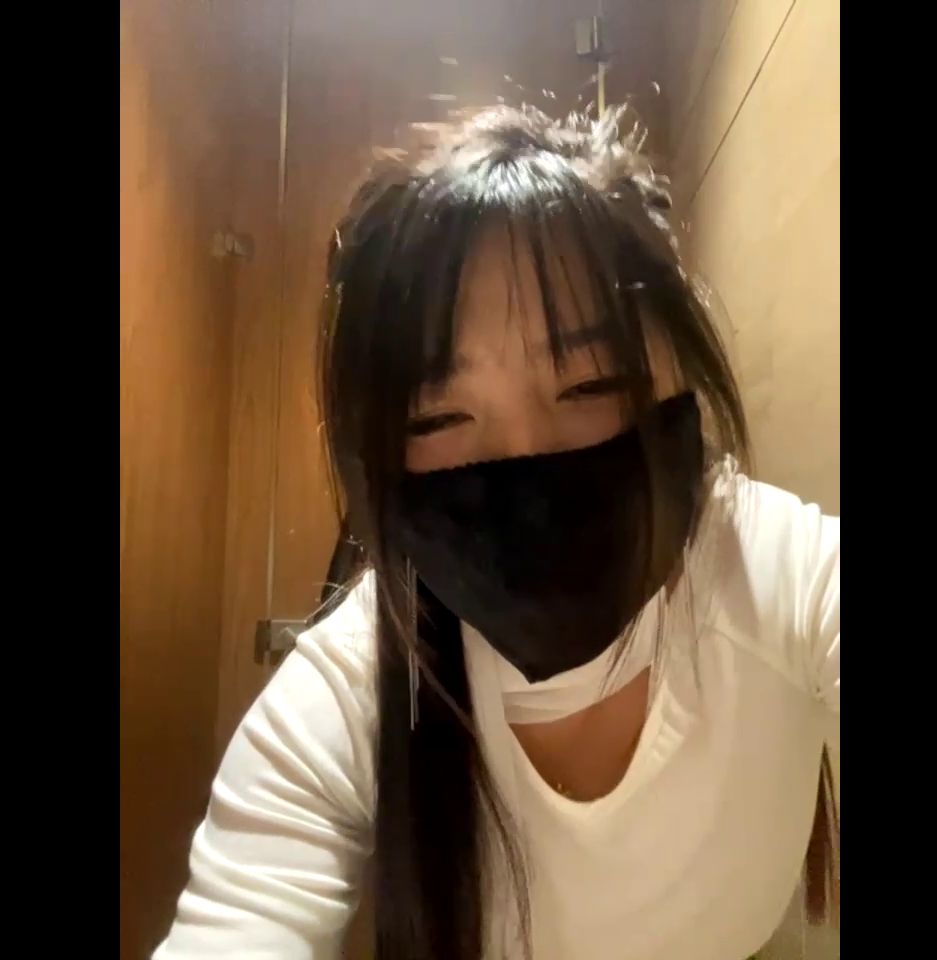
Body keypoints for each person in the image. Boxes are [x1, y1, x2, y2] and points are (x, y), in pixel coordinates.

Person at [154, 105, 839, 960]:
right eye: (439, 417)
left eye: (589, 386)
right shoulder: (356, 683)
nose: (525, 458)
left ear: (684, 378)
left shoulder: (778, 575)